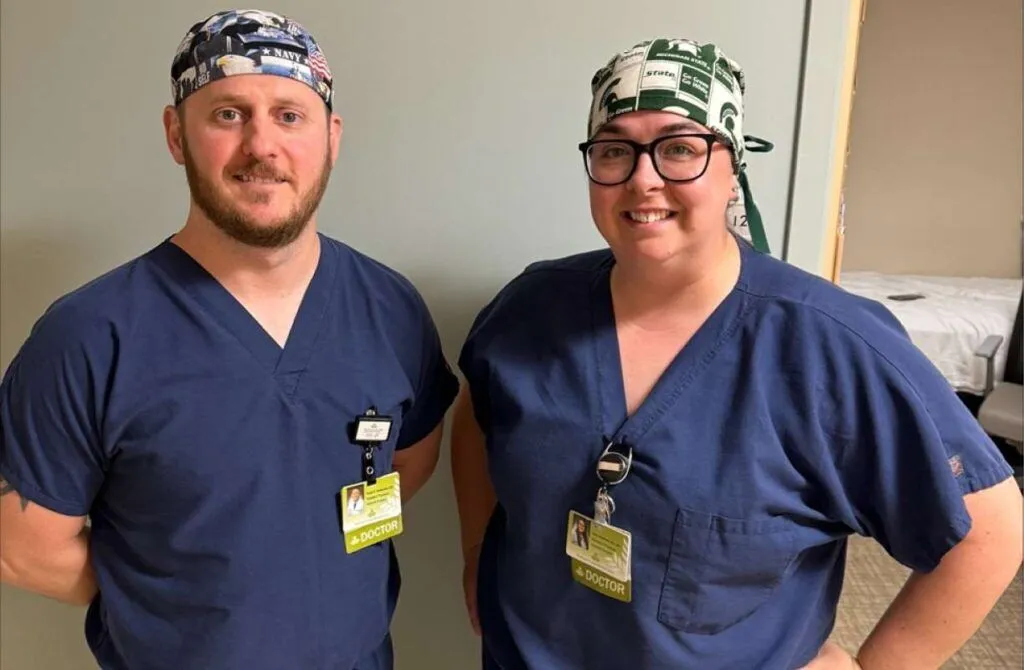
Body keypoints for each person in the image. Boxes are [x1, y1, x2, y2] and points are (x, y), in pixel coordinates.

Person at [450, 38, 1024, 670]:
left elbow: (991, 531)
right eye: (614, 150)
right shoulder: (530, 307)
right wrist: (477, 550)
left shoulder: (830, 346)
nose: (643, 178)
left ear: (733, 170)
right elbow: (479, 414)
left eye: (679, 148)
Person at [0, 9, 458, 670]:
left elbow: (409, 457)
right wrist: (170, 606)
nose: (261, 146)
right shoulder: (90, 337)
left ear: (331, 138)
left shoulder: (389, 308)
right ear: (176, 134)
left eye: (289, 116)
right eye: (227, 114)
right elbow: (23, 546)